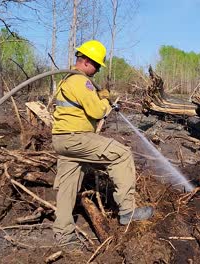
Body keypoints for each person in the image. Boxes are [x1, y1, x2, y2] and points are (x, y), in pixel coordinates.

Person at [51, 40, 153, 244]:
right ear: (86, 61)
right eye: (97, 65)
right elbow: (97, 111)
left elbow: (82, 104)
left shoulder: (67, 80)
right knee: (121, 154)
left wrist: (98, 96)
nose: (97, 70)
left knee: (68, 185)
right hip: (76, 137)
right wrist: (105, 102)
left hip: (62, 140)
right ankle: (127, 211)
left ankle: (63, 233)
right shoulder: (81, 81)